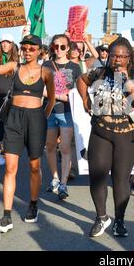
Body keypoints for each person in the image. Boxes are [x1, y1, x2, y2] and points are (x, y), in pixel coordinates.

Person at [77, 37, 134, 238]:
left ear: (129, 58)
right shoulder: (99, 72)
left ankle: (119, 220)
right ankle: (101, 217)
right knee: (97, 175)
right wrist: (85, 99)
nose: (118, 59)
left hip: (128, 134)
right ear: (108, 56)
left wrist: (127, 81)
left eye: (123, 56)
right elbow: (81, 80)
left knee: (120, 178)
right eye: (114, 55)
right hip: (101, 131)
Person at [0, 29, 55, 233]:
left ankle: (33, 204)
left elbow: (50, 100)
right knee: (10, 167)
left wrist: (43, 118)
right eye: (23, 48)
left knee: (34, 166)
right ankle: (6, 215)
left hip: (36, 120)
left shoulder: (46, 72)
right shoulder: (13, 67)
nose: (27, 51)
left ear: (39, 51)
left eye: (31, 48)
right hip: (14, 119)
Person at [43, 34, 82, 200]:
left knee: (65, 148)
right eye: (55, 46)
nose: (58, 49)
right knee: (50, 146)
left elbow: (76, 93)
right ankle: (55, 178)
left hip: (67, 112)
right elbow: (41, 89)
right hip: (49, 111)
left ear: (68, 48)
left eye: (62, 47)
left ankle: (64, 184)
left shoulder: (75, 67)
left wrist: (60, 96)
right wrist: (59, 96)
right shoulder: (45, 65)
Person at [0, 33, 20, 166]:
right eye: (3, 42)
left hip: (10, 98)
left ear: (12, 44)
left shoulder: (16, 62)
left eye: (8, 42)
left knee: (8, 127)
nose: (5, 44)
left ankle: (4, 153)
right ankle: (4, 148)